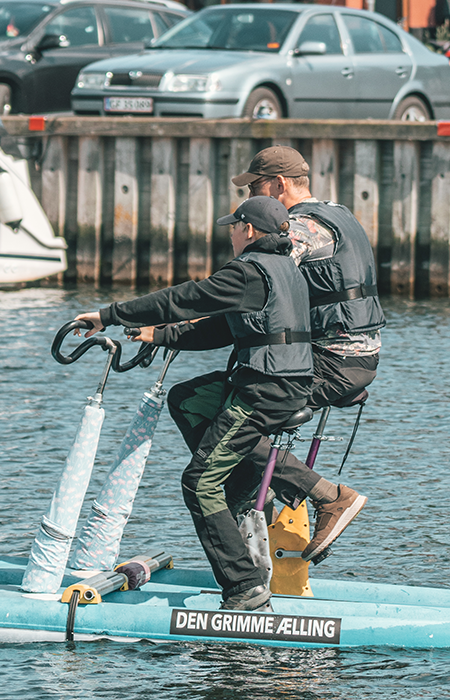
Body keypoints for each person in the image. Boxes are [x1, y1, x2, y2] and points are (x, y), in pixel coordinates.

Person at [73, 196, 364, 612]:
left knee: (198, 483)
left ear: (248, 230)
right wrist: (160, 336)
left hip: (264, 391)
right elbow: (224, 329)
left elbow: (184, 299)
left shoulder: (248, 271)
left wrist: (109, 315)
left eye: (233, 227)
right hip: (279, 383)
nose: (230, 234)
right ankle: (239, 489)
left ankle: (245, 587)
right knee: (188, 398)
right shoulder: (286, 269)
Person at [224, 147, 384, 562]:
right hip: (355, 354)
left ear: (278, 185)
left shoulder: (300, 228)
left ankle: (328, 497)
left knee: (232, 423)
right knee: (244, 411)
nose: (250, 201)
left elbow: (255, 281)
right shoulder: (338, 212)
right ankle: (271, 533)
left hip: (333, 361)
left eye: (257, 187)